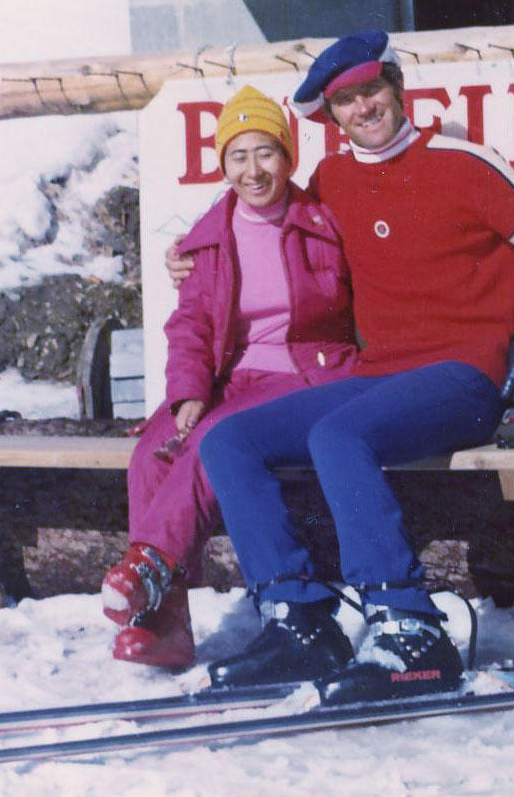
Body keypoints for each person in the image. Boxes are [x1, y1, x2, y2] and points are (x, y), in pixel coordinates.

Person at [172, 30, 514, 704]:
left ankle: (409, 626)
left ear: (396, 89)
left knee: (339, 436)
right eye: (345, 100)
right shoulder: (332, 181)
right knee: (229, 440)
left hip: (464, 375)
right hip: (380, 374)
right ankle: (299, 621)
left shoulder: (462, 163)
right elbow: (262, 220)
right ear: (330, 115)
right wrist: (192, 255)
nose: (363, 107)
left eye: (372, 90)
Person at [103, 86, 357, 669]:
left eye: (265, 152)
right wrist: (188, 392)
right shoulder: (211, 234)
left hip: (304, 373)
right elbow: (190, 323)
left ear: (287, 157)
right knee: (154, 451)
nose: (253, 170)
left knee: (214, 440)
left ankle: (148, 565)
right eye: (238, 156)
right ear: (223, 164)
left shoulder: (323, 222)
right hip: (230, 378)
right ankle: (165, 624)